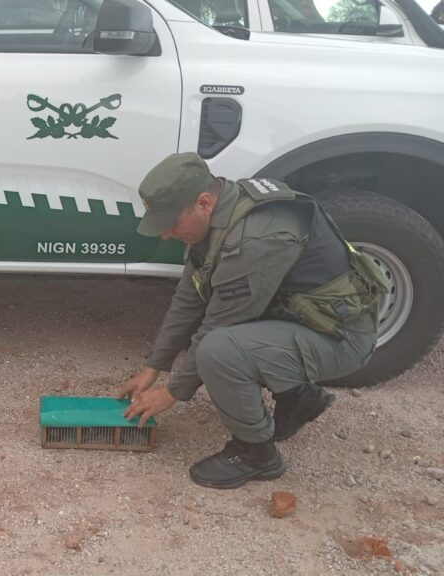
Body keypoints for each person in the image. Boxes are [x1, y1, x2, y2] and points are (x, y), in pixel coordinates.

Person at [120, 153, 387, 489]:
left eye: (172, 223)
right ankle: (299, 399)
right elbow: (189, 298)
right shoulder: (223, 213)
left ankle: (256, 454)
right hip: (307, 321)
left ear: (203, 203)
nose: (165, 234)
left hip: (340, 337)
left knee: (219, 351)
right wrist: (154, 366)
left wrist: (172, 393)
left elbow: (217, 326)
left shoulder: (254, 239)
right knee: (231, 339)